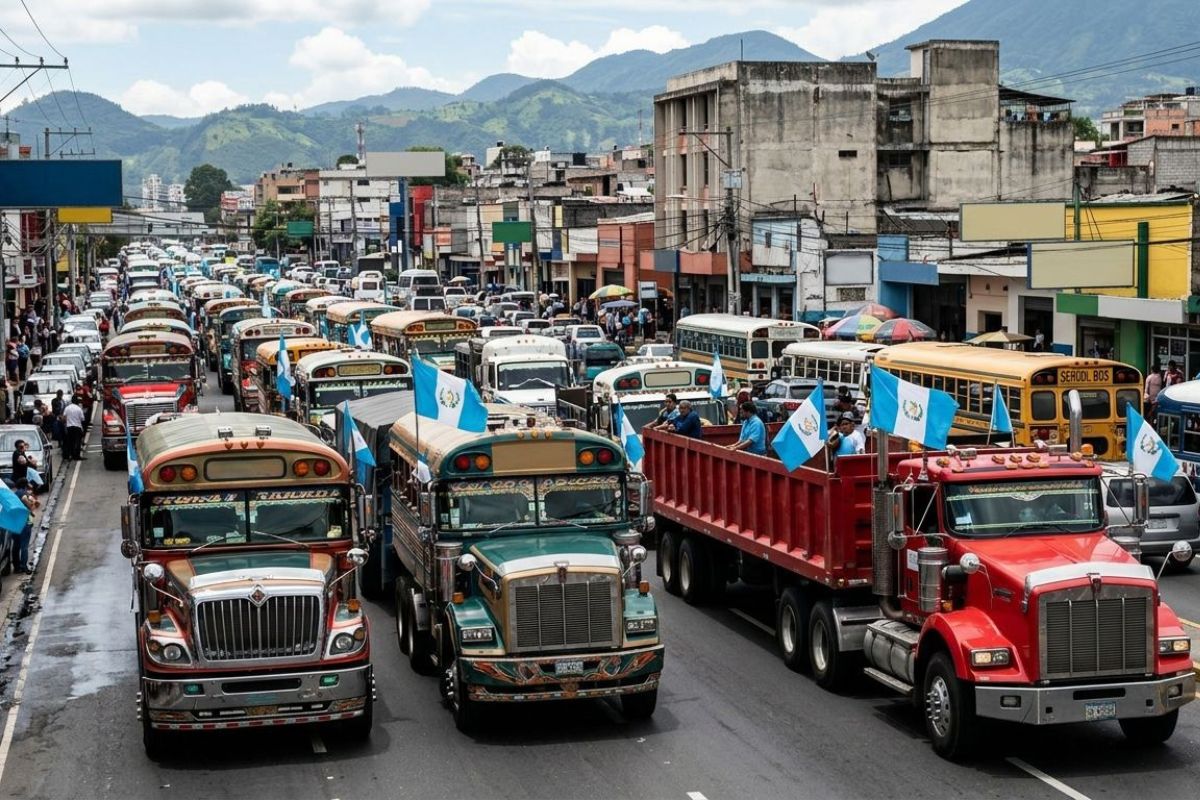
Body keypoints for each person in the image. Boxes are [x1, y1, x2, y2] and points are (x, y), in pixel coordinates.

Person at [10, 478, 38, 574]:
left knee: (16, 545)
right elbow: (25, 499)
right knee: (24, 546)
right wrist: (30, 507)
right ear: (25, 485)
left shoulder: (14, 494)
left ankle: (16, 567)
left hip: (15, 523)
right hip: (24, 523)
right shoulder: (23, 493)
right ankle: (23, 566)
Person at [62, 395, 86, 460]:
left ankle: (70, 455)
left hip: (69, 427)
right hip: (77, 427)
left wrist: (66, 424)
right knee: (78, 442)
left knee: (70, 442)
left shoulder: (67, 408)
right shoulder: (79, 409)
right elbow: (82, 419)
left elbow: (64, 418)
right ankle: (77, 456)